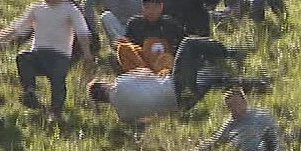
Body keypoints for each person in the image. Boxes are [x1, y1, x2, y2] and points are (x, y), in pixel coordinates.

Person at [0, 0, 92, 118]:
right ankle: (30, 92)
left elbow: (82, 32)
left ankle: (56, 110)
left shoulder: (70, 9)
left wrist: (87, 54)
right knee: (23, 58)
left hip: (60, 56)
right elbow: (17, 27)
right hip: (38, 53)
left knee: (58, 78)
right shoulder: (36, 8)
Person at [86, 37, 266, 122]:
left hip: (182, 105)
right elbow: (147, 73)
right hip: (176, 87)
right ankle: (230, 53)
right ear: (104, 85)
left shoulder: (123, 116)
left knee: (210, 77)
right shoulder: (121, 83)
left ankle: (255, 84)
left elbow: (150, 120)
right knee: (188, 43)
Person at [187, 88, 282, 151]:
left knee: (267, 141)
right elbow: (212, 144)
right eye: (230, 105)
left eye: (236, 103)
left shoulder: (261, 114)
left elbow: (276, 131)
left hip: (269, 148)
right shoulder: (229, 126)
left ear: (244, 102)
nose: (234, 107)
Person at [116, 0, 186, 73]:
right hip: (142, 61)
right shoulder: (134, 23)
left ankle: (163, 74)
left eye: (154, 7)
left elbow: (182, 44)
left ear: (161, 7)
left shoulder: (171, 24)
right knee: (123, 48)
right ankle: (143, 72)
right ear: (142, 8)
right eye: (147, 7)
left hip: (163, 61)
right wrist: (123, 41)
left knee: (167, 57)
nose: (151, 11)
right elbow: (130, 44)